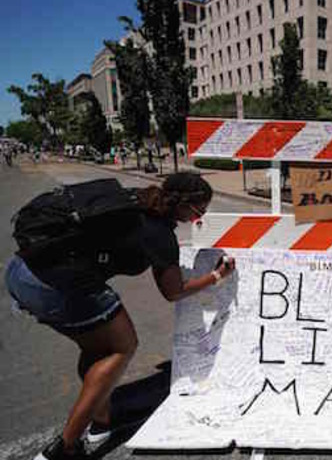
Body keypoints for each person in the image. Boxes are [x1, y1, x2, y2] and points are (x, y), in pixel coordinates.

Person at [5, 172, 236, 460]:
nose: (198, 218)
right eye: (199, 211)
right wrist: (216, 276)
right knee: (122, 347)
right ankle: (65, 447)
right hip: (55, 285)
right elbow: (174, 291)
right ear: (184, 205)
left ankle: (101, 422)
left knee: (97, 347)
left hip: (21, 270)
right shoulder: (160, 234)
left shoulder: (136, 199)